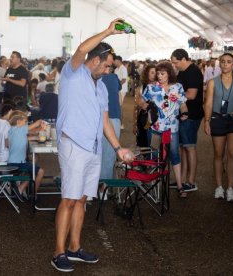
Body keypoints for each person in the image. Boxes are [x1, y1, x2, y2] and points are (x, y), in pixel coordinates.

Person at [52, 19, 133, 273]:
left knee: (82, 200)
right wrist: (109, 31)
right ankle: (59, 252)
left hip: (94, 147)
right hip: (73, 145)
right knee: (69, 199)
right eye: (107, 65)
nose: (110, 70)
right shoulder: (73, 72)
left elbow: (105, 121)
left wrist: (118, 148)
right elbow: (80, 49)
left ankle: (75, 247)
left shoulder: (101, 87)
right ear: (96, 59)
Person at [139, 62, 189, 198]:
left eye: (162, 73)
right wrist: (145, 106)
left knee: (174, 155)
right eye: (157, 73)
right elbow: (141, 101)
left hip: (172, 129)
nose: (159, 76)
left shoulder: (177, 87)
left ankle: (179, 185)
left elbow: (183, 104)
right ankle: (153, 185)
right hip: (154, 128)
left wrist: (185, 113)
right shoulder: (151, 87)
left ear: (169, 74)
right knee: (153, 155)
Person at [203, 53, 233, 202]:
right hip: (217, 118)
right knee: (218, 153)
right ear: (219, 64)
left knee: (232, 153)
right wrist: (207, 121)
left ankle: (230, 188)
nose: (225, 64)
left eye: (228, 62)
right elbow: (208, 103)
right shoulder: (213, 82)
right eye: (223, 62)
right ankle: (219, 187)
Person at [171, 49, 204, 192]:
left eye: (175, 62)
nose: (174, 65)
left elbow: (191, 95)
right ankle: (182, 180)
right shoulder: (184, 71)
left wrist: (172, 94)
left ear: (184, 59)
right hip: (183, 115)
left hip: (191, 115)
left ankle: (191, 181)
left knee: (190, 147)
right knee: (183, 148)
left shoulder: (193, 71)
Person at [7, 110, 45, 200]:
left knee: (32, 167)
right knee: (40, 172)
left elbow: (34, 132)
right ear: (18, 122)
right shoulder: (20, 129)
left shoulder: (13, 130)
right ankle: (32, 194)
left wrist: (40, 130)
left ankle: (21, 189)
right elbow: (35, 126)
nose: (26, 123)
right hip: (17, 164)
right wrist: (40, 122)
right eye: (25, 121)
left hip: (13, 162)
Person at [99, 65, 122, 199]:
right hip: (112, 117)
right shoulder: (114, 78)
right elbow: (119, 100)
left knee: (96, 154)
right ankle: (104, 189)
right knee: (109, 155)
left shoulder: (91, 78)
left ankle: (94, 188)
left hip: (96, 119)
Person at [133, 64, 156, 147]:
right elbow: (136, 109)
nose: (155, 74)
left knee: (155, 146)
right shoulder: (140, 89)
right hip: (143, 120)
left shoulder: (161, 88)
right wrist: (135, 125)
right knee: (143, 145)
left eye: (156, 72)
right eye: (152, 72)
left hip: (156, 121)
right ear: (147, 74)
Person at [114, 55, 128, 129]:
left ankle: (121, 124)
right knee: (118, 106)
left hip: (122, 90)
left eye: (114, 60)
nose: (113, 62)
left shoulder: (123, 69)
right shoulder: (116, 69)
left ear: (118, 61)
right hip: (117, 89)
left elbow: (124, 80)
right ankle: (118, 123)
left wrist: (117, 87)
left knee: (120, 106)